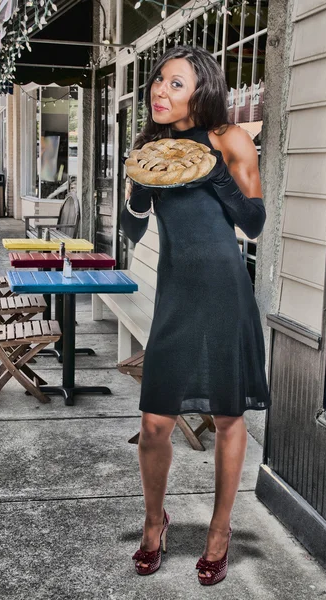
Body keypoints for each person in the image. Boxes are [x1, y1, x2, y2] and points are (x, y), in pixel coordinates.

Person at [121, 45, 271, 586]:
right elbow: (134, 230)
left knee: (230, 417)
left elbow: (253, 222)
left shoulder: (230, 139)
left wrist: (212, 175)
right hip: (176, 294)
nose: (160, 90)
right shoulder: (150, 149)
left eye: (175, 83)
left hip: (226, 294)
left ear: (201, 90)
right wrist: (140, 189)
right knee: (154, 423)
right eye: (159, 80)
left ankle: (219, 532)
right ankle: (154, 521)